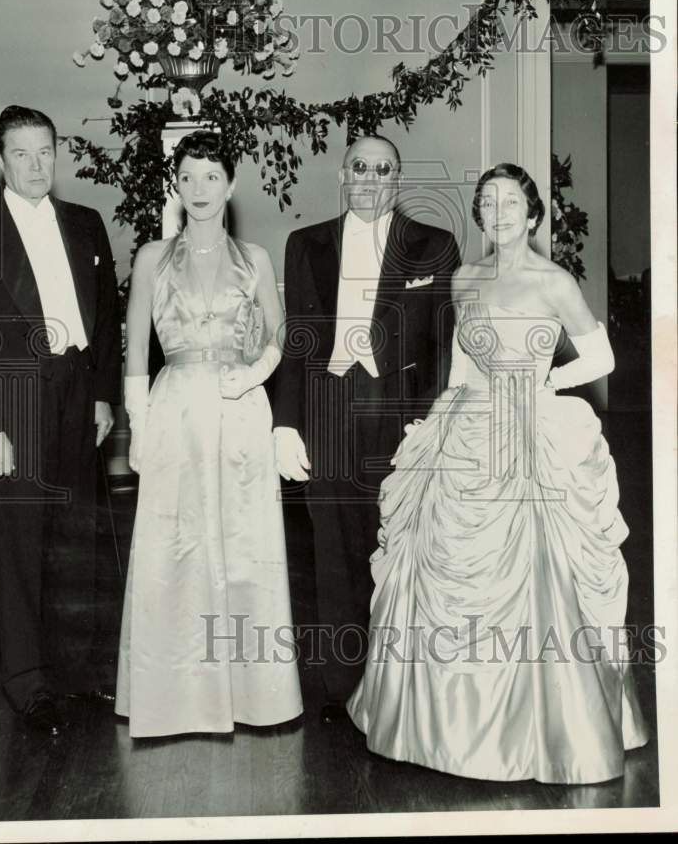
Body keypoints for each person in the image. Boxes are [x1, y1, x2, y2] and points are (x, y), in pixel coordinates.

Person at [347, 163, 649, 783]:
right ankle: (436, 728)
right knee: (433, 558)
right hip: (466, 424)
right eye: (489, 202)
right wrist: (437, 421)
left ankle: (545, 731)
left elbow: (602, 355)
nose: (500, 212)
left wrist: (544, 385)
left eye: (512, 202)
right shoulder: (464, 278)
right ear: (480, 215)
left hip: (527, 429)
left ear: (533, 215)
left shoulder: (554, 280)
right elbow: (460, 360)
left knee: (536, 570)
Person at [116, 129, 303, 737]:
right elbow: (137, 355)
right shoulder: (151, 257)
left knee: (244, 545)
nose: (199, 189)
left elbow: (282, 335)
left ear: (231, 183)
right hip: (174, 409)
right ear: (177, 182)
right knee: (175, 547)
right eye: (188, 177)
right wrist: (139, 430)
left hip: (241, 407)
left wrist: (254, 373)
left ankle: (255, 697)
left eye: (211, 177)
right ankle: (176, 698)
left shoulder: (256, 259)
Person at [272, 135, 461, 722]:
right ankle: (340, 688)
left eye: (385, 170)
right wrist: (285, 426)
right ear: (342, 174)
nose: (372, 179)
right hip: (327, 403)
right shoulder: (305, 244)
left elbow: (443, 348)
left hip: (397, 409)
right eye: (361, 168)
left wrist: (428, 423)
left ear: (397, 180)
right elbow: (298, 340)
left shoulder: (434, 246)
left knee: (399, 545)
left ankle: (400, 687)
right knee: (332, 546)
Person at [0, 105, 122, 736]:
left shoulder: (85, 223)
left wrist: (103, 394)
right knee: (16, 545)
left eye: (44, 151)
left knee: (77, 534)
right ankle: (28, 682)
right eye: (20, 154)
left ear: (58, 152)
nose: (35, 165)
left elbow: (105, 316)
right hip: (12, 399)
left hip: (77, 390)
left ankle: (78, 672)